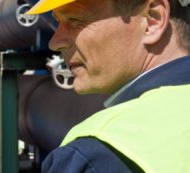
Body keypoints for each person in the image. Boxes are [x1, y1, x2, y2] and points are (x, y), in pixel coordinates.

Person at [27, 0, 190, 172]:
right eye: (59, 23)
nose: (55, 42)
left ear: (152, 20)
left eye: (75, 20)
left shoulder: (94, 155)